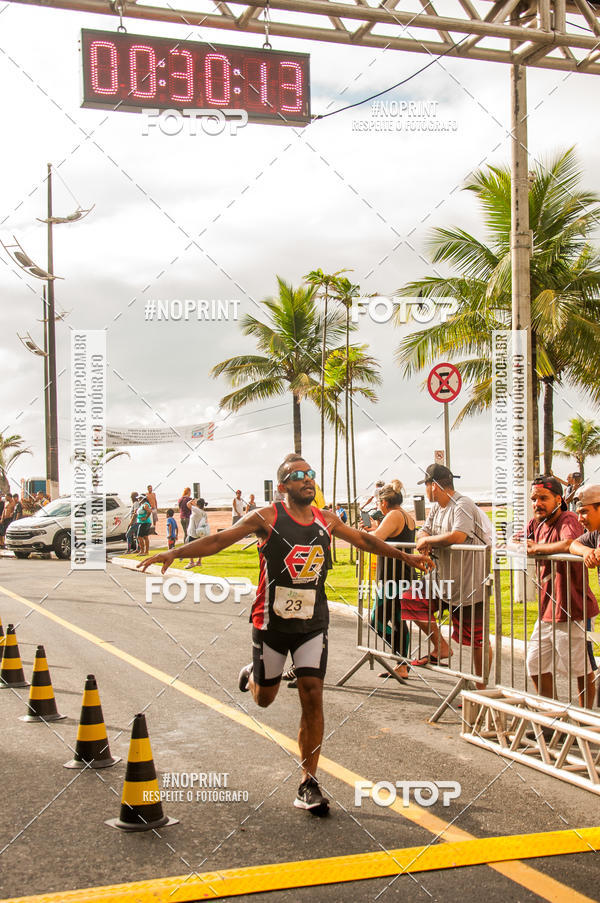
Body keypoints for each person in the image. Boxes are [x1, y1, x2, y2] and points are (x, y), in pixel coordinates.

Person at [138, 453, 433, 814]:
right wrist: (176, 552)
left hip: (312, 623)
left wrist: (406, 558)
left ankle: (308, 782)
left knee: (312, 694)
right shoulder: (268, 517)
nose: (307, 479)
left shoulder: (327, 519)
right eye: (297, 476)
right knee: (265, 699)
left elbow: (366, 541)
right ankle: (254, 673)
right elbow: (220, 541)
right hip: (271, 622)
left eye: (310, 474)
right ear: (283, 487)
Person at [412, 464, 493, 688]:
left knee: (478, 640)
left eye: (426, 485)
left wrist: (427, 541)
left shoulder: (462, 503)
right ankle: (441, 646)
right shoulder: (438, 507)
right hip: (441, 580)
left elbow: (458, 535)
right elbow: (424, 530)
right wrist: (424, 537)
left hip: (469, 583)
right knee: (410, 601)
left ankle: (481, 689)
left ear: (434, 486)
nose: (426, 491)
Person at [522, 476, 598, 708]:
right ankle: (552, 716)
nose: (537, 504)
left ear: (559, 499)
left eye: (543, 498)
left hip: (573, 608)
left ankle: (584, 722)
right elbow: (516, 543)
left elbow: (568, 542)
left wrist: (537, 548)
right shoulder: (536, 523)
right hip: (546, 610)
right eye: (534, 499)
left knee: (581, 669)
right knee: (535, 663)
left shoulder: (568, 519)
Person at [361, 480, 415, 680]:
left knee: (377, 620)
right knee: (399, 619)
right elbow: (382, 536)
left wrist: (366, 533)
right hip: (402, 575)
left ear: (384, 503)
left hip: (392, 577)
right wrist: (373, 529)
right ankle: (402, 664)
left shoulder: (393, 515)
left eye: (378, 503)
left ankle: (402, 660)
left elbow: (376, 539)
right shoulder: (404, 515)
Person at [185, 498, 210, 568]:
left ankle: (191, 562)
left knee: (189, 547)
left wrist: (192, 500)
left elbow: (188, 504)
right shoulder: (204, 513)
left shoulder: (196, 510)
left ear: (198, 504)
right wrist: (195, 503)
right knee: (200, 548)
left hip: (193, 532)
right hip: (200, 532)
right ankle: (199, 561)